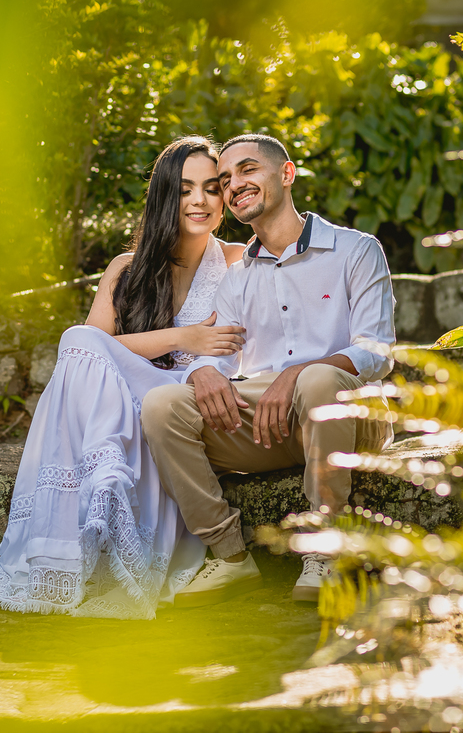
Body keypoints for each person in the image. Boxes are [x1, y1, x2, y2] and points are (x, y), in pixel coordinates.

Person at [0, 136, 246, 619]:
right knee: (78, 339)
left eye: (211, 188)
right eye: (184, 189)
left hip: (184, 398)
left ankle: (110, 486)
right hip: (124, 396)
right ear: (164, 196)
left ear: (224, 197)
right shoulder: (127, 267)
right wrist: (183, 337)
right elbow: (90, 346)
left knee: (90, 349)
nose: (199, 200)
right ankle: (104, 478)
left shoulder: (240, 259)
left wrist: (194, 351)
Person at [141, 133, 396, 607]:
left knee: (317, 378)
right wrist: (202, 372)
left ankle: (326, 548)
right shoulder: (237, 277)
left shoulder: (356, 250)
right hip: (269, 425)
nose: (234, 184)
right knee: (162, 404)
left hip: (347, 415)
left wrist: (296, 374)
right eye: (225, 179)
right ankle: (230, 556)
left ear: (287, 173)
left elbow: (376, 351)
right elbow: (219, 353)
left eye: (248, 169)